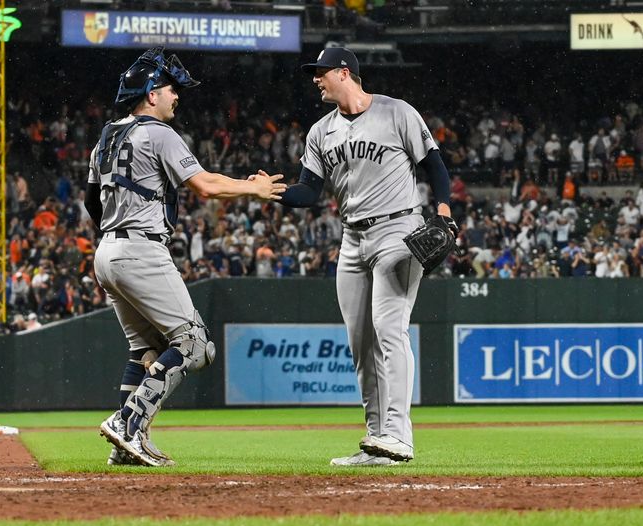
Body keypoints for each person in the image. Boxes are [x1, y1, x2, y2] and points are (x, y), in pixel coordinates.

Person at [85, 47, 285, 467]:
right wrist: (256, 189)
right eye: (171, 89)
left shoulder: (106, 135)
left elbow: (91, 203)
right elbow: (206, 185)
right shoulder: (157, 132)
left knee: (146, 350)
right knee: (194, 345)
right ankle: (126, 424)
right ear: (151, 92)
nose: (177, 96)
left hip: (107, 250)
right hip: (140, 248)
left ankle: (124, 450)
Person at [275, 47, 453, 466]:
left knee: (389, 330)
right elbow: (308, 192)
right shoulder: (320, 131)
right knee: (361, 344)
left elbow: (435, 166)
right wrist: (274, 191)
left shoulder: (396, 112)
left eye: (321, 73)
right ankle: (377, 440)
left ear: (344, 72)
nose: (316, 79)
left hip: (399, 229)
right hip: (352, 239)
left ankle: (399, 435)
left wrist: (443, 213)